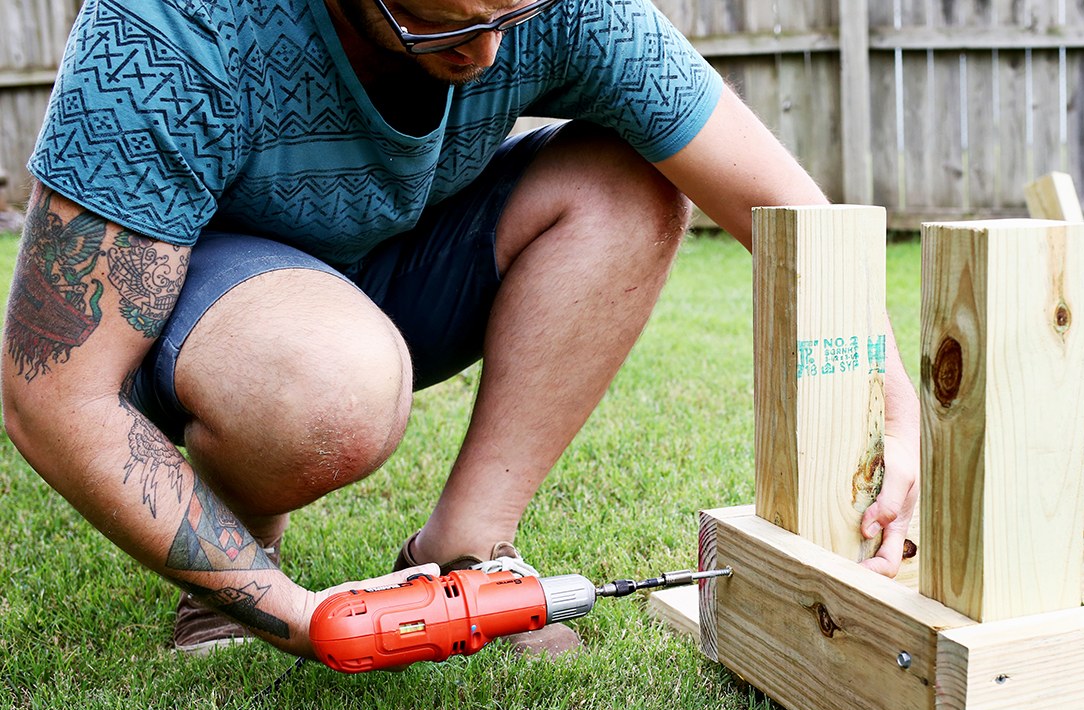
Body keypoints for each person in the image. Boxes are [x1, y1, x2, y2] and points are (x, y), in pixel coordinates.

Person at [1, 0, 919, 662]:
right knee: (328, 387)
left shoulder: (553, 5)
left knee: (633, 182)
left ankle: (466, 545)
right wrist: (294, 615)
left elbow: (783, 210)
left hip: (391, 264)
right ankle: (234, 569)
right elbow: (52, 394)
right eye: (444, 24)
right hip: (210, 307)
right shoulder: (168, 30)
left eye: (509, 16)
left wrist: (895, 402)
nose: (486, 54)